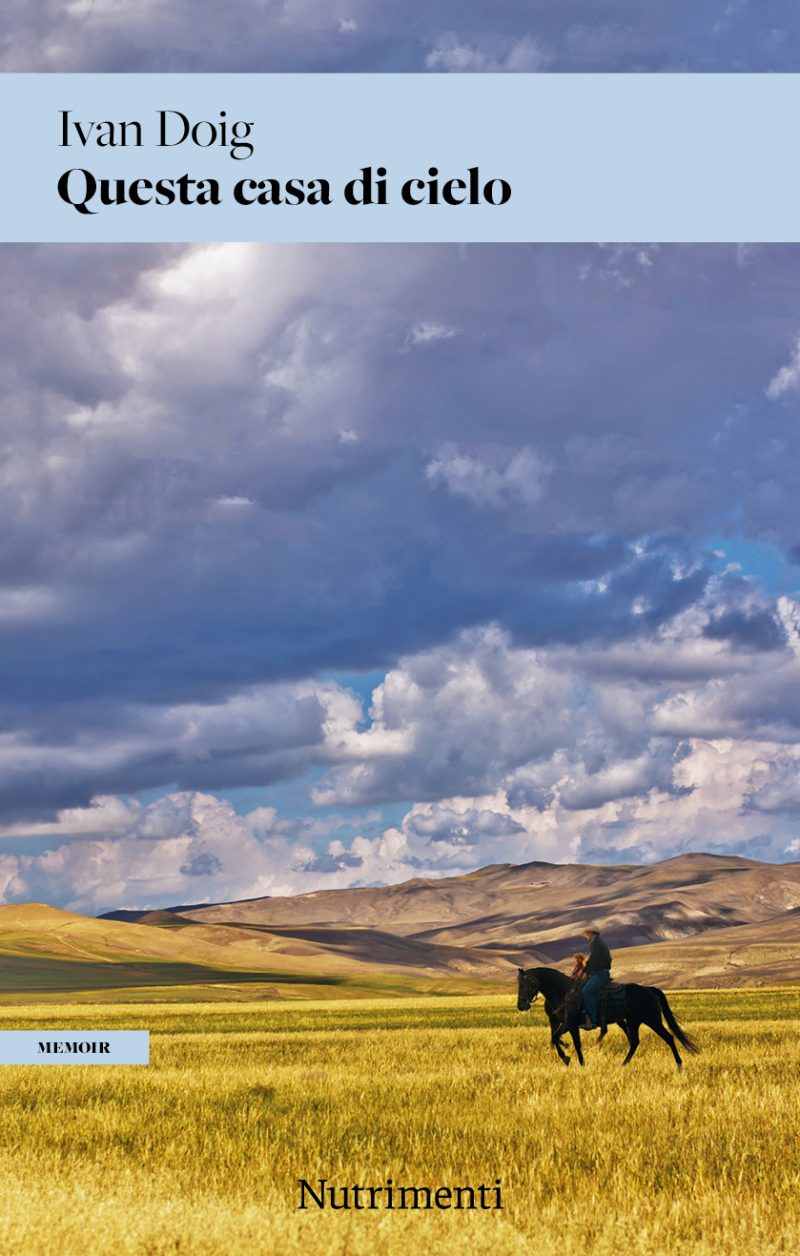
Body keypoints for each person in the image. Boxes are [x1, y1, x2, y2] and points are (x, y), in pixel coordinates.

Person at [579, 925, 612, 1029]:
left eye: (588, 934)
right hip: (599, 973)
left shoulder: (596, 944)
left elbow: (593, 961)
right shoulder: (598, 943)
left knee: (586, 991)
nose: (587, 936)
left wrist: (584, 972)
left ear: (592, 934)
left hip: (600, 974)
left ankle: (593, 1020)